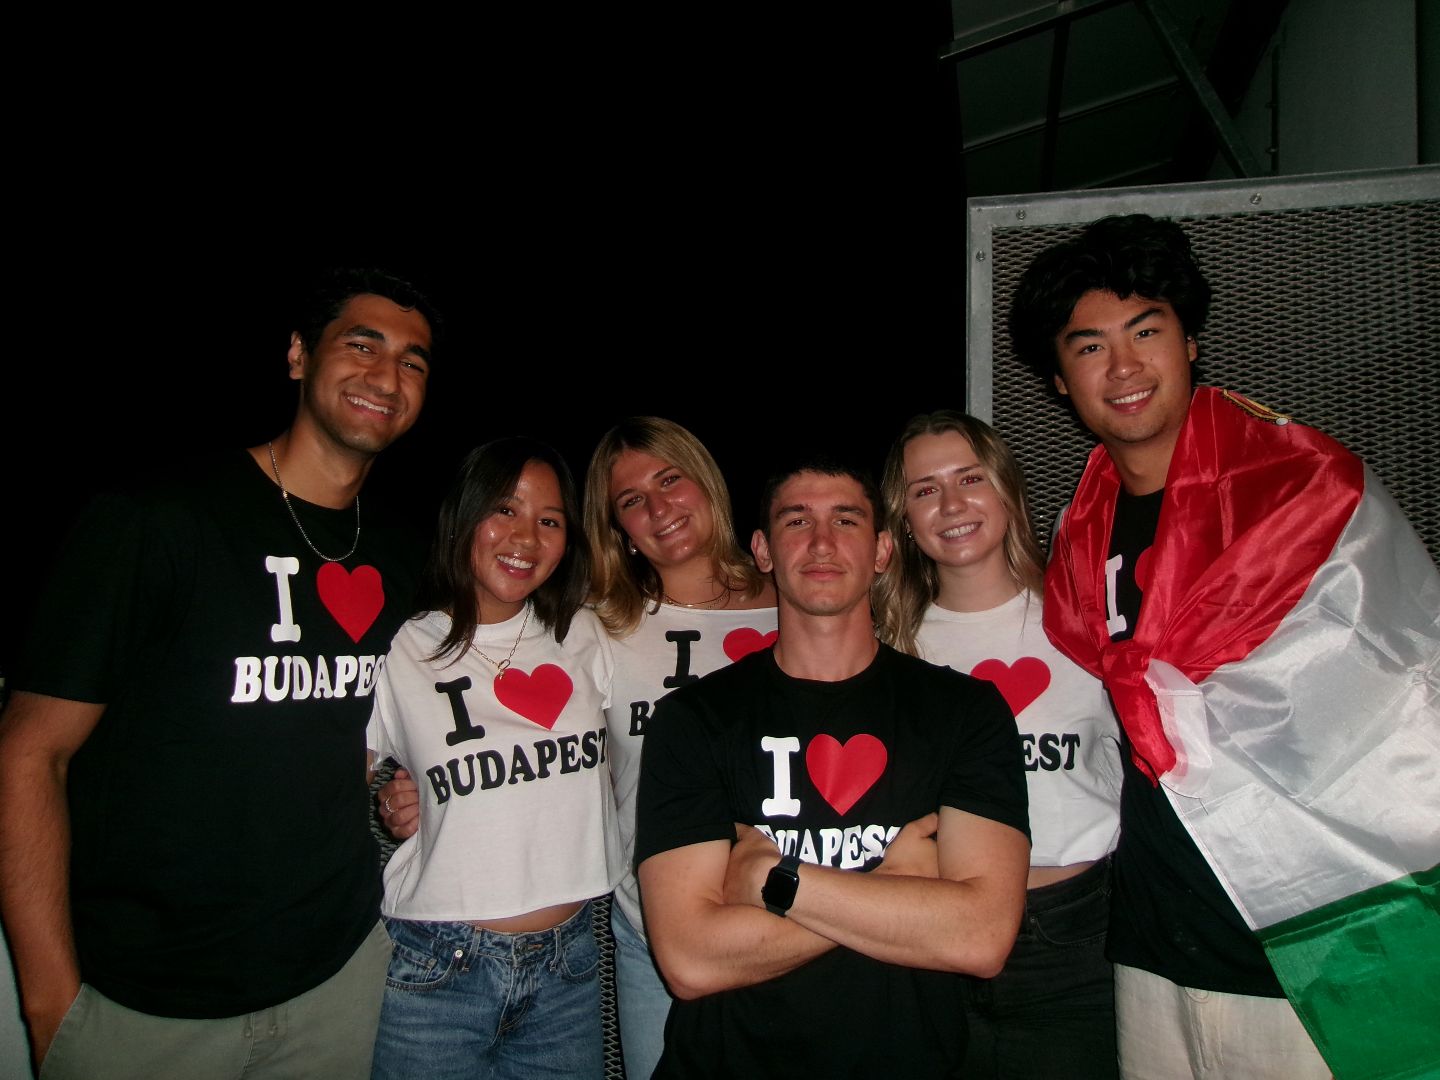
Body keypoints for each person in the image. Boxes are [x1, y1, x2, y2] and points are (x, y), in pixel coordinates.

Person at [1010, 213, 1440, 1080]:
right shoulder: (1079, 532)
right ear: (1061, 381)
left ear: (1191, 342)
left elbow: (1405, 691)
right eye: (1089, 347)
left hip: (1303, 930)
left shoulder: (1303, 493)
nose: (1124, 366)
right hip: (1154, 938)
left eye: (1146, 331)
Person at [0, 269, 440, 1079]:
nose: (387, 376)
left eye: (413, 361)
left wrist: (388, 781)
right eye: (363, 345)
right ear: (298, 356)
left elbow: (345, 726)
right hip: (144, 1006)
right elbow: (31, 753)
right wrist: (49, 1002)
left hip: (337, 986)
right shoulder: (157, 520)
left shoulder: (402, 553)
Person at [379, 416, 778, 1080]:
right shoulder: (600, 624)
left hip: (796, 909)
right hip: (649, 931)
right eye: (630, 500)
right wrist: (401, 788)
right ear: (616, 527)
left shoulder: (798, 600)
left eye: (670, 480)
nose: (657, 508)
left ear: (705, 480)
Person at [632, 456, 1030, 1078]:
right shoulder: (692, 721)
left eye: (845, 521)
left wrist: (775, 880)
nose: (821, 543)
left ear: (880, 551)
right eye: (797, 522)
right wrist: (901, 893)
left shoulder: (964, 712)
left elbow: (980, 939)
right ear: (763, 550)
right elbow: (689, 960)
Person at [874, 410, 1121, 1079]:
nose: (951, 504)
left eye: (969, 479)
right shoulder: (890, 647)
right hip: (933, 931)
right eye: (925, 490)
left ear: (1007, 490)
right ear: (904, 518)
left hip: (1078, 936)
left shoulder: (1087, 616)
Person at [366, 437, 620, 1080]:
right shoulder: (399, 646)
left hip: (571, 964)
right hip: (437, 965)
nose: (526, 537)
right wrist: (388, 795)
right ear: (465, 516)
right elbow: (329, 766)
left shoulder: (584, 634)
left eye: (550, 521)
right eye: (505, 509)